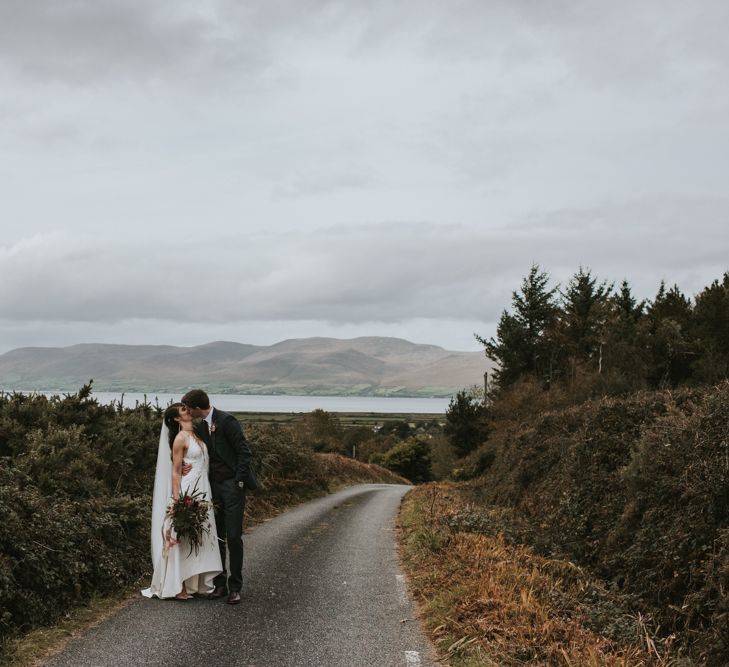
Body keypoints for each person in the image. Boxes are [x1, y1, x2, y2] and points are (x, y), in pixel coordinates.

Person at [181, 389, 257, 605]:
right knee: (216, 537)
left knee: (233, 536)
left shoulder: (227, 421)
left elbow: (244, 452)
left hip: (232, 487)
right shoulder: (200, 426)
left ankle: (235, 586)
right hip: (211, 488)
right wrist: (181, 463)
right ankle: (220, 584)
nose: (187, 411)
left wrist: (239, 482)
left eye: (188, 408)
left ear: (196, 408)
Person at [141, 403, 222, 600]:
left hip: (203, 489)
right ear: (177, 419)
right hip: (188, 490)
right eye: (184, 411)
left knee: (200, 534)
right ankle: (178, 587)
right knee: (180, 537)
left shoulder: (197, 434)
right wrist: (177, 500)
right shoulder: (180, 439)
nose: (189, 412)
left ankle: (197, 583)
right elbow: (176, 472)